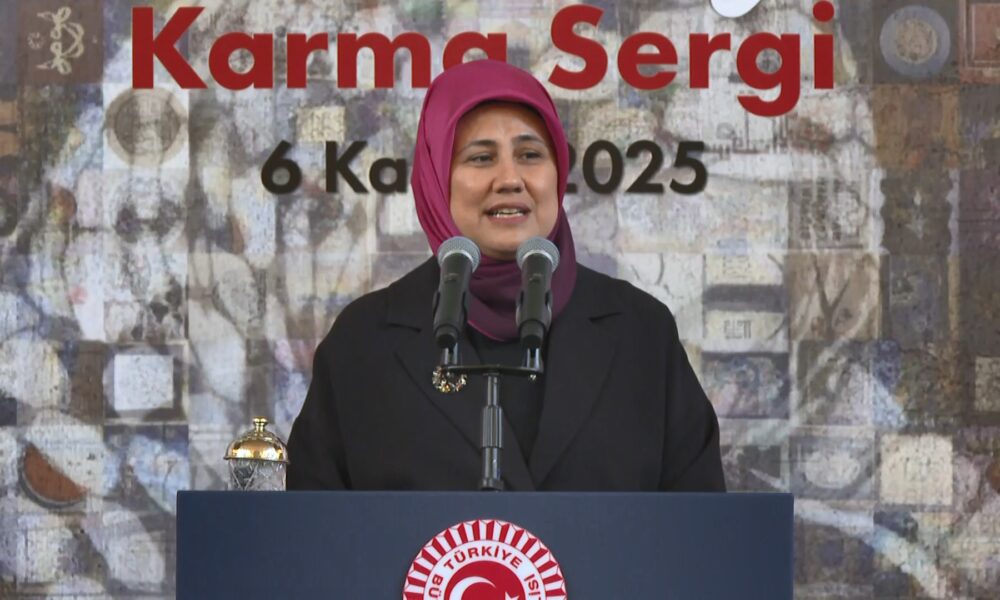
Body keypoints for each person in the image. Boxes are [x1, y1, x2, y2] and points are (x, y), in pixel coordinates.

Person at [286, 60, 725, 492]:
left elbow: (701, 525)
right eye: (481, 158)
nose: (510, 179)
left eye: (530, 155)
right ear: (436, 179)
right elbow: (315, 529)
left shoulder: (641, 333)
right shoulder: (364, 343)